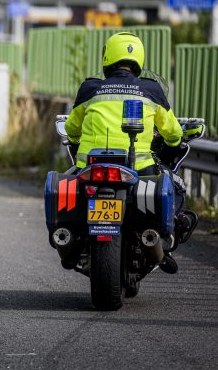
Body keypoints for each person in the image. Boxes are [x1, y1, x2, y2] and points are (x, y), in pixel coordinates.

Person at [64, 31, 198, 273]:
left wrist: (76, 142)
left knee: (67, 182)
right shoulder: (151, 90)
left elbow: (72, 129)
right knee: (174, 185)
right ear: (140, 59)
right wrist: (174, 142)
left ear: (107, 56)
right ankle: (163, 240)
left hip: (90, 167)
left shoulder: (90, 89)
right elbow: (173, 133)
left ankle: (71, 241)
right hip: (138, 168)